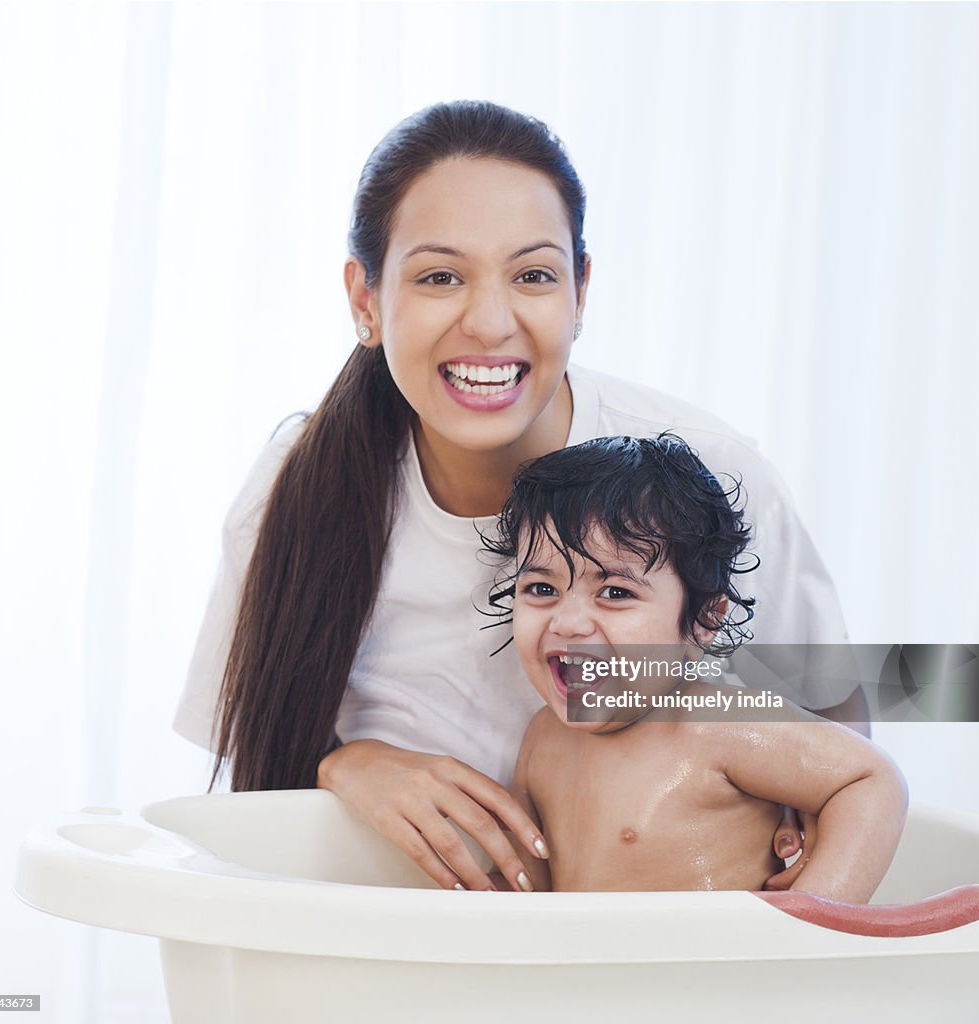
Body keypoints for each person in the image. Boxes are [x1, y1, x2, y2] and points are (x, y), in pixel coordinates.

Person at [173, 99, 868, 894]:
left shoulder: (704, 471)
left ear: (581, 290)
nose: (491, 321)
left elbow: (841, 713)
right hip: (382, 945)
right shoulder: (295, 489)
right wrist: (348, 765)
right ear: (365, 301)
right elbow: (249, 768)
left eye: (534, 275)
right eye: (440, 276)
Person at [483, 434, 906, 900]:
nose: (568, 622)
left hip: (713, 971)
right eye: (542, 589)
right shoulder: (542, 739)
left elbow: (870, 779)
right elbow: (528, 882)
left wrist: (812, 922)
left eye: (616, 593)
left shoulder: (718, 725)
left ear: (704, 620)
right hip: (594, 971)